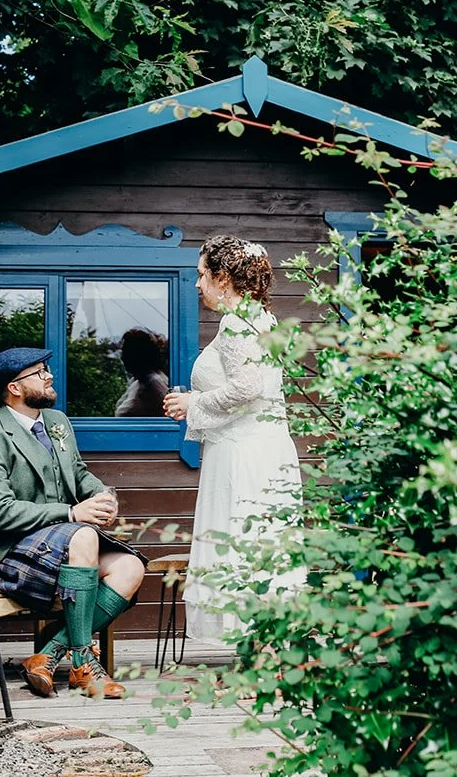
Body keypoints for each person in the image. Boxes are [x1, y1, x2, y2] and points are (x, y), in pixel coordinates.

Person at [0, 347, 147, 699]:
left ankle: (48, 655)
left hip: (65, 546)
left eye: (46, 369)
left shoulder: (57, 422)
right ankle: (83, 664)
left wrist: (102, 494)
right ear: (15, 387)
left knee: (130, 567)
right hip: (13, 553)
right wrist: (71, 513)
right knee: (83, 535)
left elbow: (77, 474)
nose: (49, 376)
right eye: (39, 372)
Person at [162, 235, 303, 645]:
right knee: (258, 548)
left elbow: (247, 388)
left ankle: (261, 660)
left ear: (224, 278)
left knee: (243, 547)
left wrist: (194, 403)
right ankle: (265, 654)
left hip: (244, 456)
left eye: (201, 274)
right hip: (261, 449)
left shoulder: (236, 322)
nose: (197, 284)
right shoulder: (260, 318)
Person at [113, 327, 169, 417]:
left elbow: (171, 417)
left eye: (126, 353)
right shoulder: (138, 382)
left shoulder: (153, 383)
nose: (122, 358)